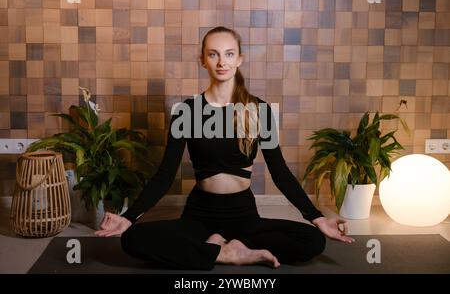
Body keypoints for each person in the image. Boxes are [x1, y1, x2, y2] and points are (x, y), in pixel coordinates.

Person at [95, 26, 355, 270]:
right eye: (213, 54)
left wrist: (318, 218)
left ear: (239, 59)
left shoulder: (258, 111)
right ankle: (225, 253)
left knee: (313, 239)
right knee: (133, 239)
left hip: (243, 215)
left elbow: (280, 172)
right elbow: (165, 175)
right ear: (203, 60)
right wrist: (128, 217)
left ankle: (229, 247)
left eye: (229, 54)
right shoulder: (187, 112)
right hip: (199, 215)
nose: (222, 62)